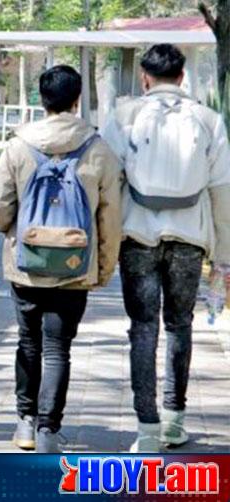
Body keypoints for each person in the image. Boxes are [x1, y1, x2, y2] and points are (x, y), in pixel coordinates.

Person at [0, 65, 123, 453]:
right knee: (58, 347)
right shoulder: (97, 149)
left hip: (25, 263)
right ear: (77, 99)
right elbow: (110, 217)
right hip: (74, 267)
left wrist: (9, 229)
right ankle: (49, 430)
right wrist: (104, 266)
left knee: (28, 343)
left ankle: (25, 424)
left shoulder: (18, 145)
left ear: (41, 99)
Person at [102, 44, 230, 452]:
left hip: (136, 237)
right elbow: (222, 192)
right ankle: (175, 419)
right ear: (182, 76)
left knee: (142, 329)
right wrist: (224, 255)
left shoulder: (123, 117)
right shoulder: (209, 120)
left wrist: (104, 247)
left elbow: (107, 183)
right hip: (189, 239)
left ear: (144, 77)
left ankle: (147, 428)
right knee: (180, 326)